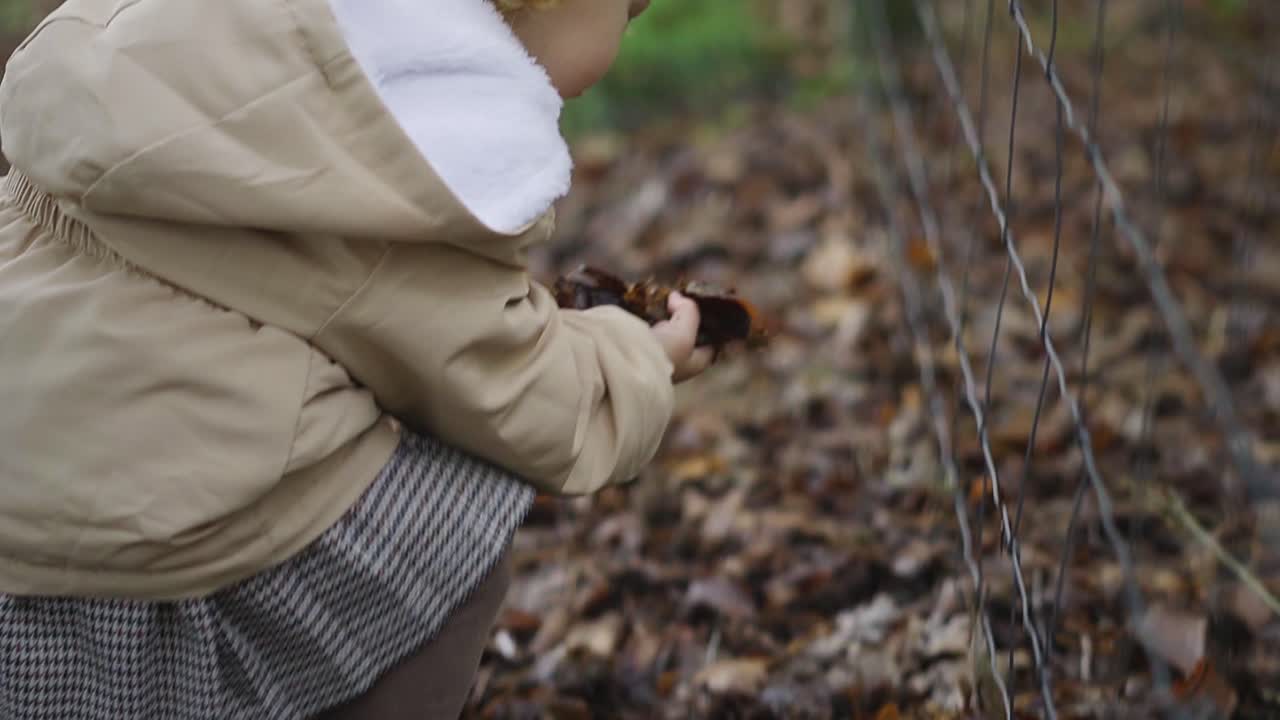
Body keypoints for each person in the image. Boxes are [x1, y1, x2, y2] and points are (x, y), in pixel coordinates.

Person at [0, 0, 709, 717]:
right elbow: (519, 390)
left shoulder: (206, 34)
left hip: (21, 522)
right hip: (128, 594)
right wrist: (637, 359)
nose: (629, 27)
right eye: (630, 8)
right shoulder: (396, 136)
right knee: (456, 529)